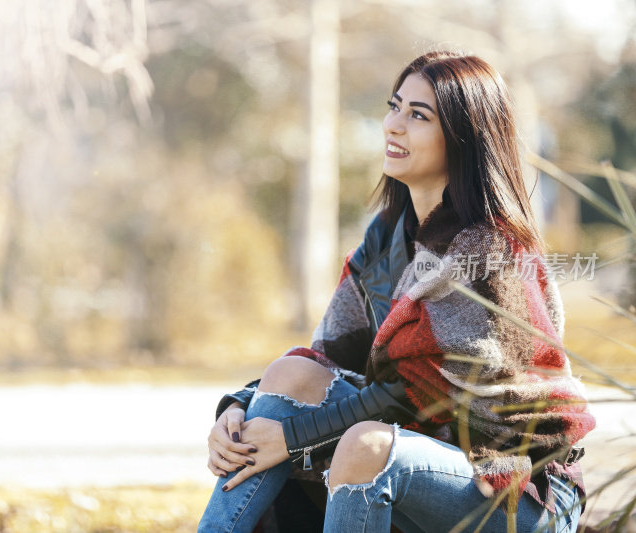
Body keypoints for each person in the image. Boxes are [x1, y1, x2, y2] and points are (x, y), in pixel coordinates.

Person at [197, 51, 596, 533]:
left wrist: (291, 437)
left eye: (418, 115)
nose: (393, 125)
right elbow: (325, 361)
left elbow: (417, 397)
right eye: (394, 106)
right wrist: (239, 408)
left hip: (519, 487)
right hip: (423, 458)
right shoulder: (388, 236)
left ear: (464, 138)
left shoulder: (485, 250)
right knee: (292, 371)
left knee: (367, 445)